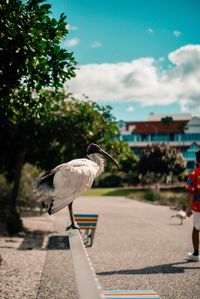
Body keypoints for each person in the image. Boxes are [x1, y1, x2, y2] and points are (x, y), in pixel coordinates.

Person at [185, 150, 200, 262]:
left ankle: (196, 254)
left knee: (196, 229)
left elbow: (191, 193)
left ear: (197, 160)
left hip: (199, 209)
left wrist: (188, 208)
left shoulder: (194, 174)